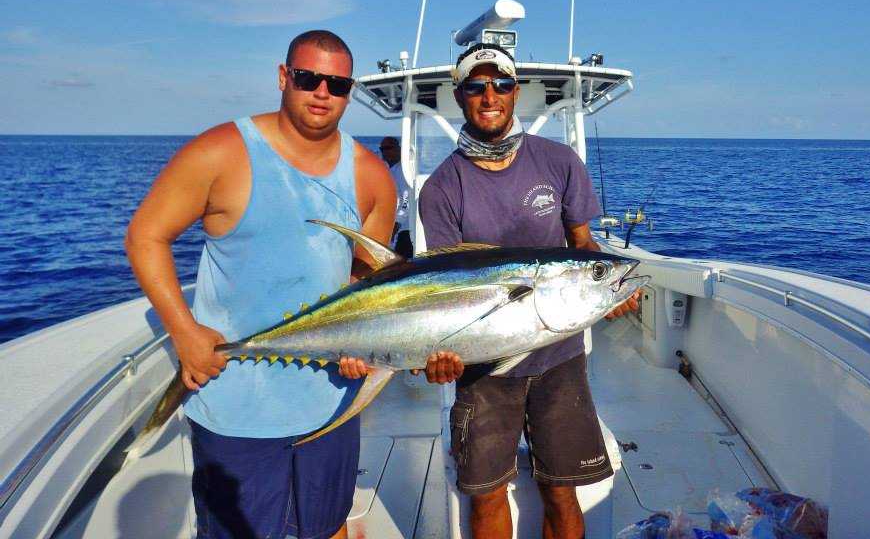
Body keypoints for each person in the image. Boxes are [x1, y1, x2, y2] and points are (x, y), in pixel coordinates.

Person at [125, 30, 395, 539]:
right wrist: (184, 332)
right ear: (283, 77)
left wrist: (370, 347)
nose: (321, 93)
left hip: (332, 404)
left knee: (329, 525)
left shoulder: (370, 176)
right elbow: (146, 236)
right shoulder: (221, 151)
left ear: (350, 91)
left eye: (336, 85)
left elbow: (366, 283)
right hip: (235, 404)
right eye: (308, 78)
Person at [417, 43, 639, 539]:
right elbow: (448, 287)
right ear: (460, 96)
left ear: (515, 92)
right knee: (488, 492)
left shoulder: (559, 162)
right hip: (483, 366)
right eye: (475, 86)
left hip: (557, 357)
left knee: (562, 488)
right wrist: (436, 353)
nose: (489, 95)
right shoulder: (442, 187)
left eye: (499, 84)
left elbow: (584, 249)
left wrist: (610, 289)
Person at [379, 135, 413, 257]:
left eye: (389, 148)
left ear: (398, 149)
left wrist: (397, 224)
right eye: (382, 149)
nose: (385, 151)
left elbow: (407, 199)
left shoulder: (402, 170)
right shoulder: (392, 169)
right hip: (397, 228)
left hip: (404, 230)